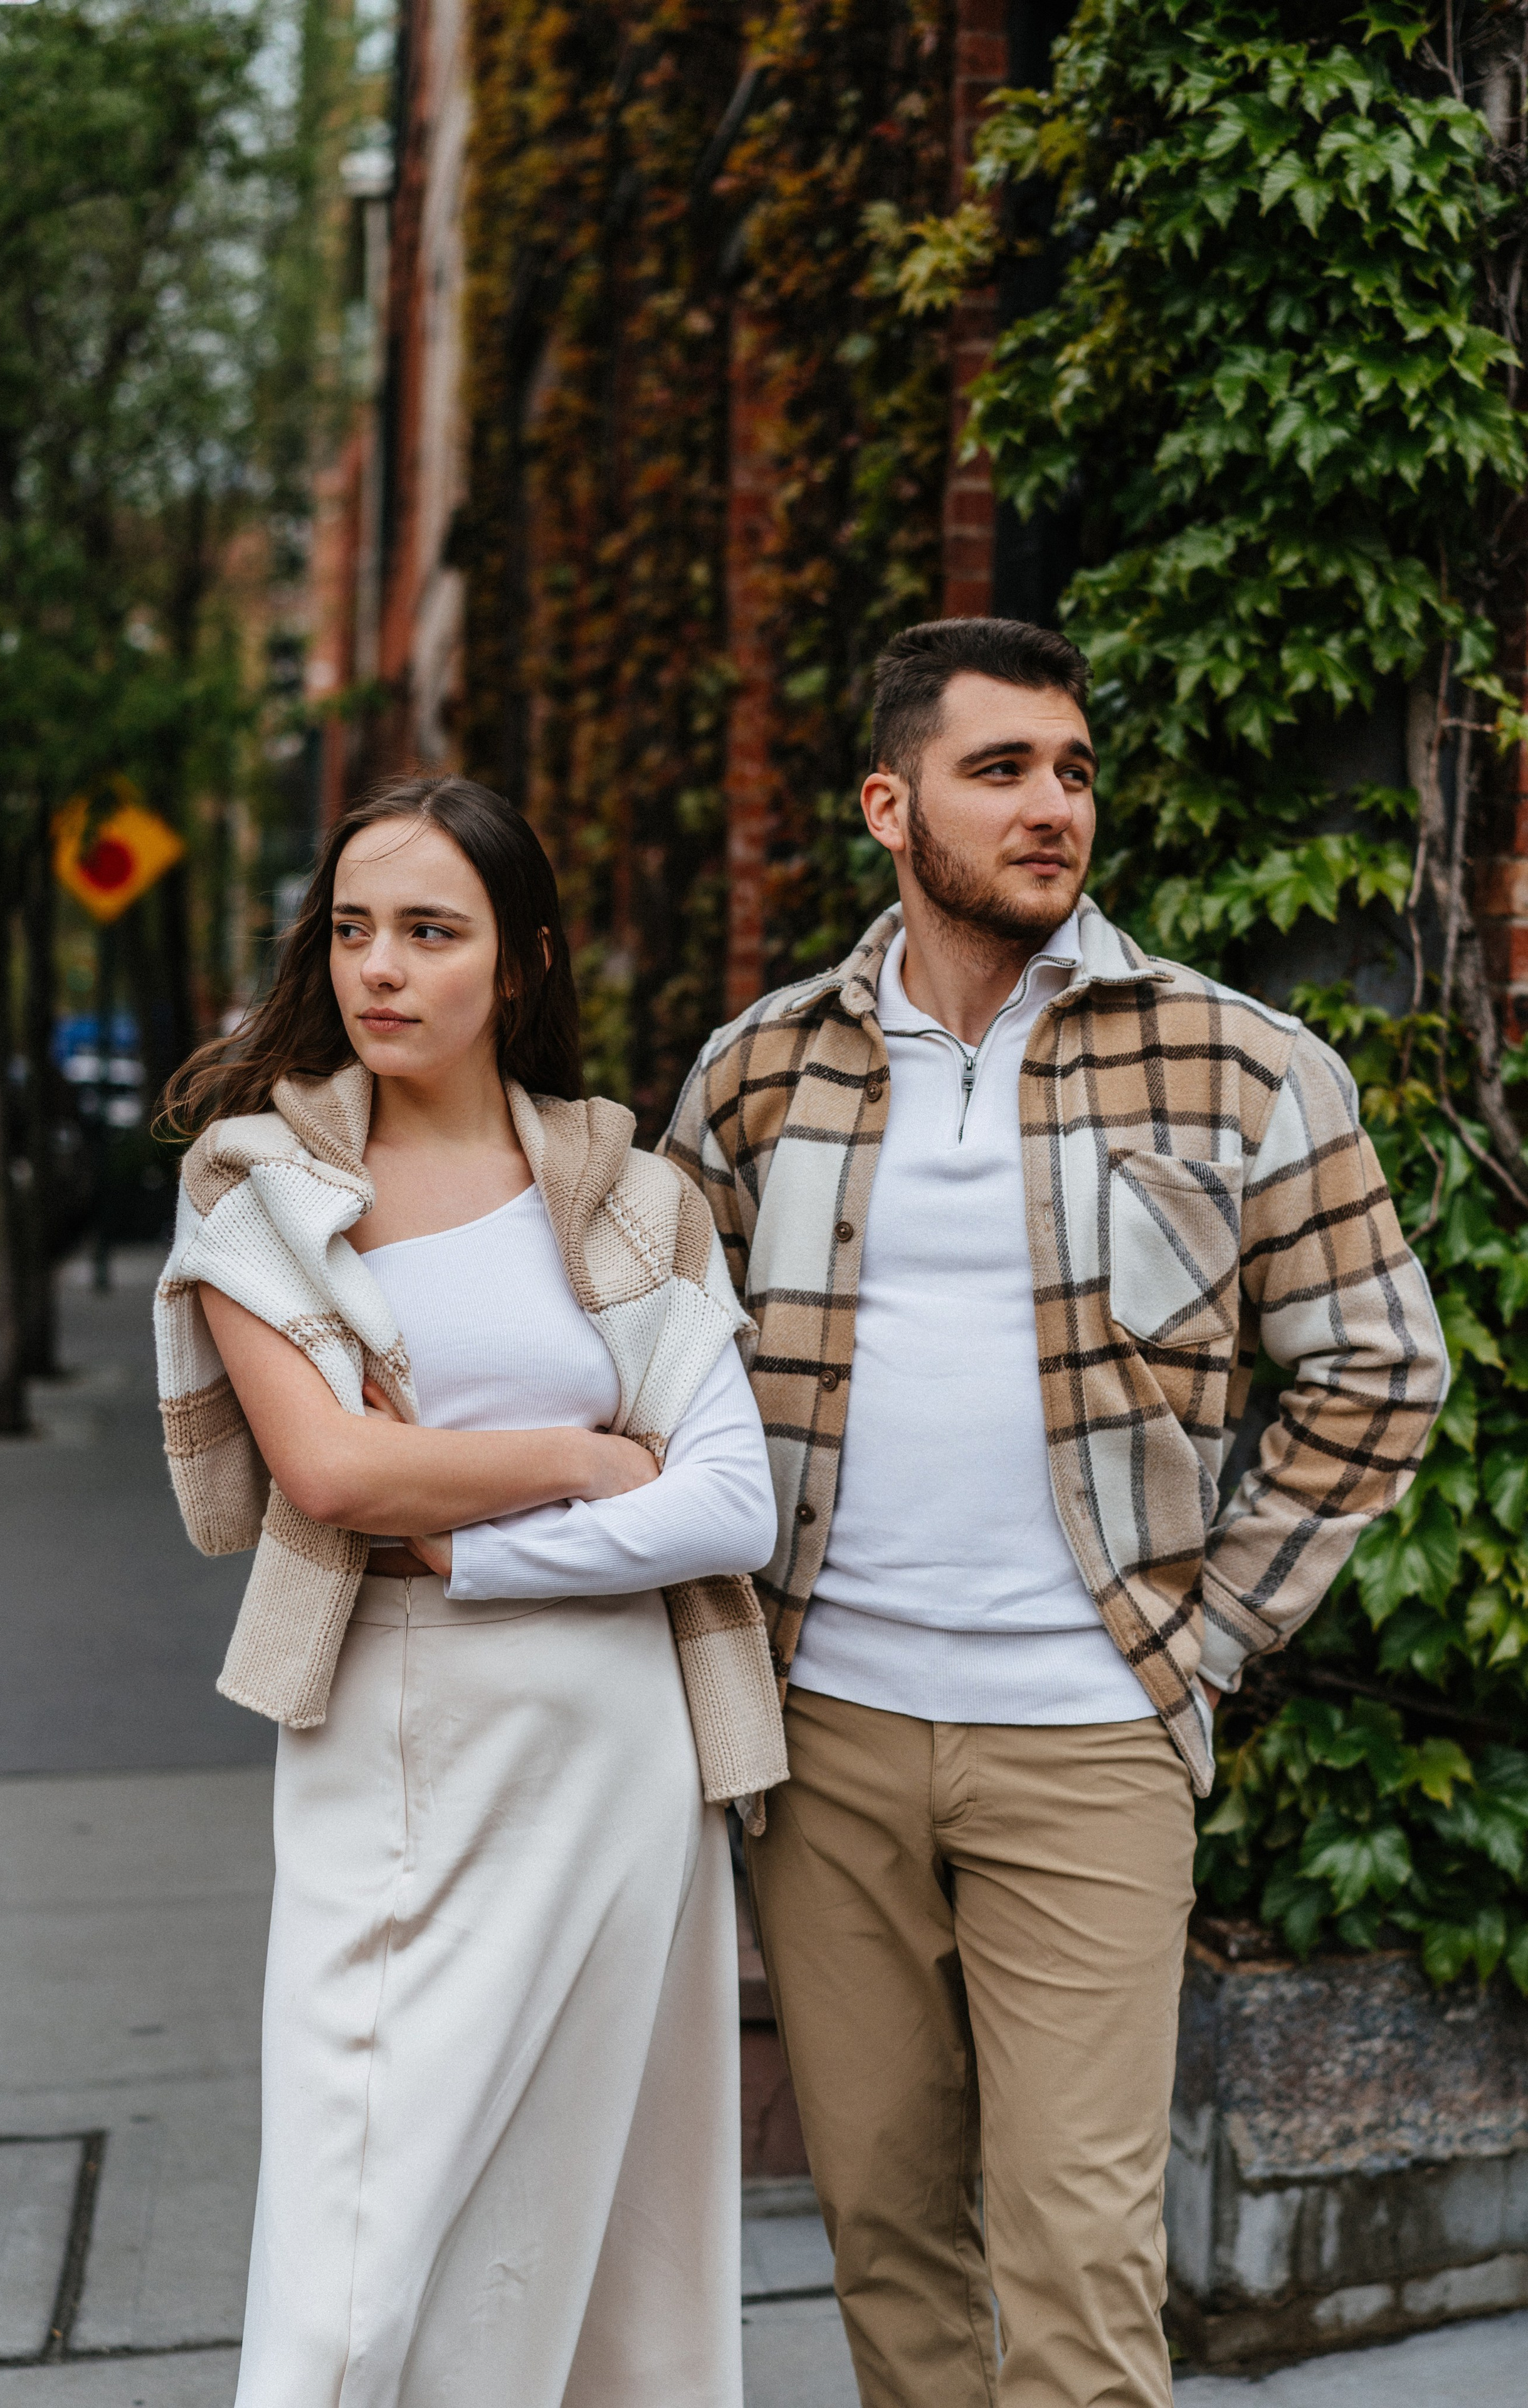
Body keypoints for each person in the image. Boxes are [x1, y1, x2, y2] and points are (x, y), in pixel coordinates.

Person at [660, 616, 1448, 2408]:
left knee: (1083, 2257)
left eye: (1074, 770)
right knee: (884, 2234)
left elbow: (1382, 1366)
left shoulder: (1238, 1065)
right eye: (999, 768)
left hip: (1089, 1736)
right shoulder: (757, 1077)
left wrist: (1216, 1624)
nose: (1052, 807)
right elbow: (661, 1384)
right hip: (825, 1734)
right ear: (889, 802)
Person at [154, 775, 786, 2408]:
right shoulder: (258, 1184)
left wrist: (482, 1524)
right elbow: (336, 1473)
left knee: (610, 2213)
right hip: (396, 1733)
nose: (382, 967)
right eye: (353, 928)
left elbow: (729, 1499)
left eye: (432, 931)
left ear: (522, 965)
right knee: (357, 2235)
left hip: (626, 1751)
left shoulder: (634, 1193)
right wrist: (582, 1459)